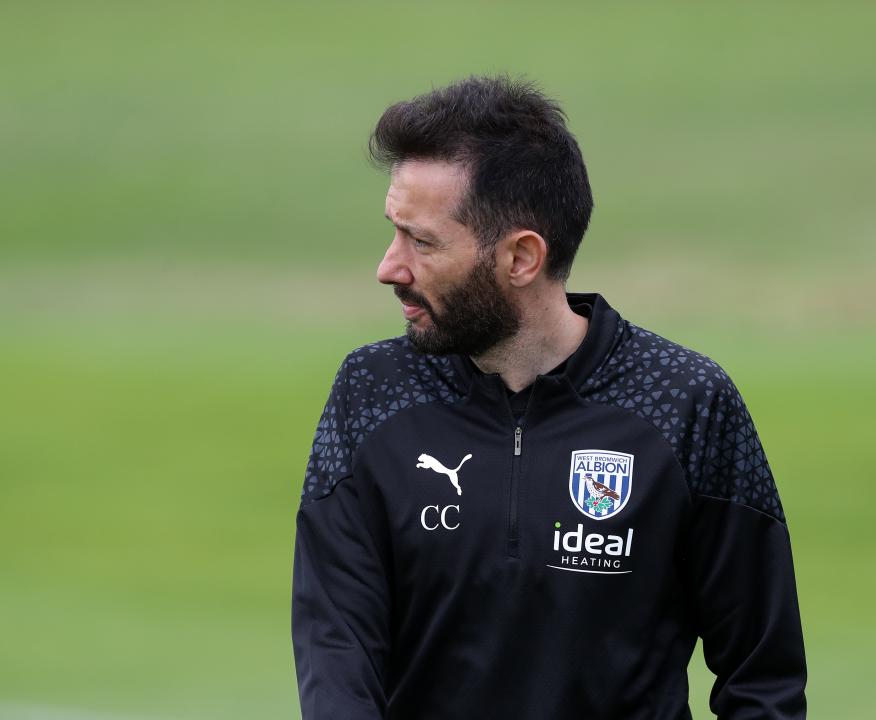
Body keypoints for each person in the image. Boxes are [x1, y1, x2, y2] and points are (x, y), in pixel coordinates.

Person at [292, 76, 806, 720]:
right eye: (395, 233)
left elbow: (764, 678)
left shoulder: (684, 404)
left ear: (521, 258)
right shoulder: (372, 393)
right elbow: (337, 652)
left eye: (421, 241)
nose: (389, 267)